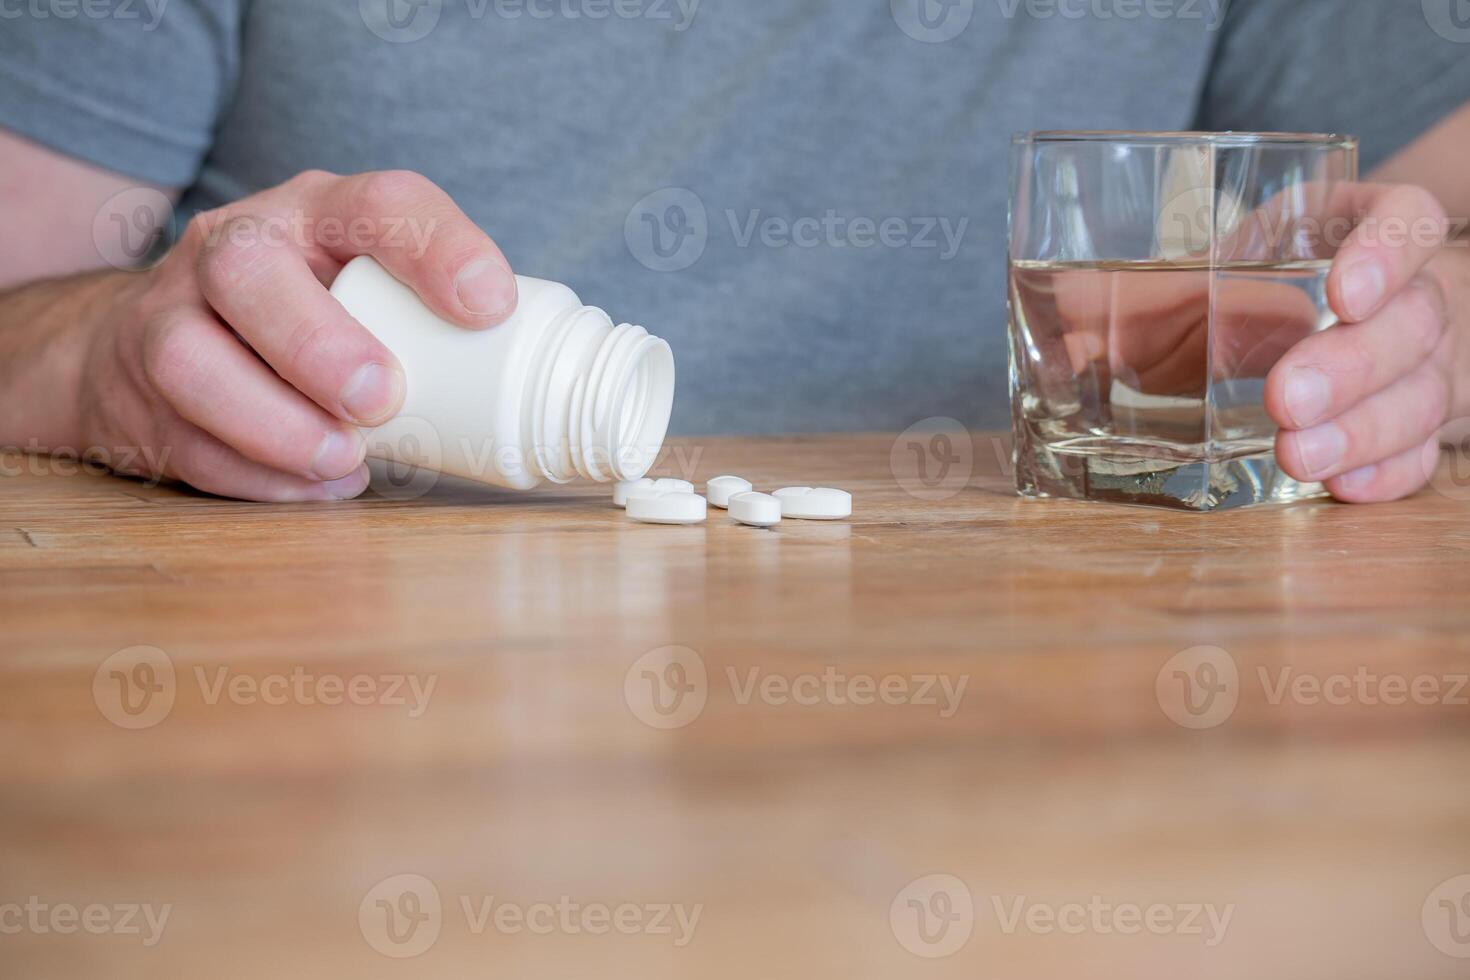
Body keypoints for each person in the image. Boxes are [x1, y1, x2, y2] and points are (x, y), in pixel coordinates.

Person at [0, 0, 1467, 503]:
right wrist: (103, 357)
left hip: (1066, 722)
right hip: (322, 716)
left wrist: (1427, 332)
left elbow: (1435, 237)